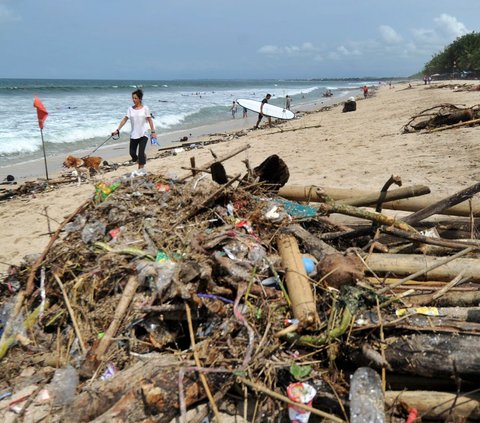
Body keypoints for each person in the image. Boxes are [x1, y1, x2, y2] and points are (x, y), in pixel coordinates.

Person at [112, 89, 156, 171]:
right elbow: (124, 119)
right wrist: (117, 130)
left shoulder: (145, 108)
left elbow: (150, 120)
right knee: (132, 153)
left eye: (135, 98)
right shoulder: (130, 109)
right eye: (133, 98)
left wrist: (153, 132)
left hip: (143, 134)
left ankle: (140, 170)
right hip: (134, 134)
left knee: (140, 152)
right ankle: (141, 158)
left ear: (140, 99)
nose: (134, 100)